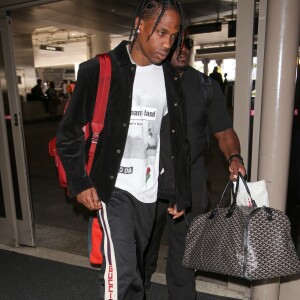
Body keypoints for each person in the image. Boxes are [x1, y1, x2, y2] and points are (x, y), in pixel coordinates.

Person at [56, 1, 190, 299]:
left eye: (174, 35)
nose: (168, 43)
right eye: (161, 32)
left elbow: (176, 140)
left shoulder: (170, 78)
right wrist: (79, 182)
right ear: (140, 24)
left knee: (136, 271)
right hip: (112, 188)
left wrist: (180, 191)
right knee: (124, 273)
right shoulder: (99, 70)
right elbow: (68, 133)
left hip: (149, 191)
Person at [144, 33, 246, 300]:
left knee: (185, 257)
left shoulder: (206, 86)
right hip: (150, 182)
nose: (182, 49)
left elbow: (224, 131)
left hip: (191, 182)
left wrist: (234, 156)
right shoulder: (148, 80)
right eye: (177, 43)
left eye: (187, 44)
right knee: (143, 250)